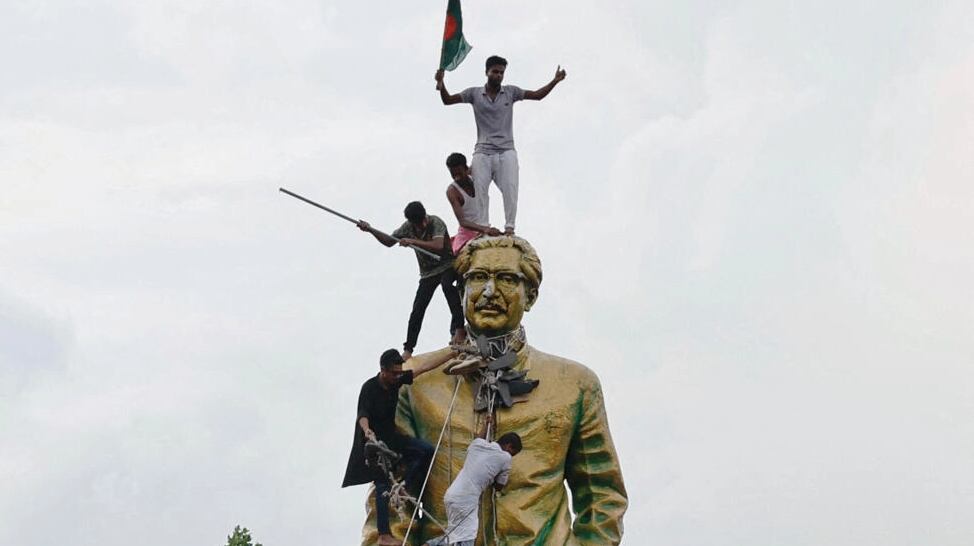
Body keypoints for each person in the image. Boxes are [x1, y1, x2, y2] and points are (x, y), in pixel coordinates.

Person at [358, 236, 628, 545]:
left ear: (531, 296)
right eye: (477, 278)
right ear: (461, 293)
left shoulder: (575, 385)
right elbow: (393, 494)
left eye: (507, 279)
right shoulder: (415, 383)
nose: (489, 291)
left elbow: (602, 495)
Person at [435, 56, 566, 235]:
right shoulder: (474, 93)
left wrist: (555, 81)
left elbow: (536, 95)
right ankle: (484, 228)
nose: (498, 75)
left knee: (510, 188)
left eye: (501, 73)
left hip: (506, 150)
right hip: (483, 150)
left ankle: (510, 227)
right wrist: (441, 84)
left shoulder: (510, 92)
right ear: (487, 72)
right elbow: (448, 100)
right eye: (495, 72)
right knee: (480, 189)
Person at [342, 348, 457, 546]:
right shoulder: (369, 387)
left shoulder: (396, 380)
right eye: (394, 373)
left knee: (425, 450)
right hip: (374, 444)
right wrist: (368, 432)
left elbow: (423, 368)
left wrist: (451, 354)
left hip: (392, 437)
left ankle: (403, 486)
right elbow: (363, 415)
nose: (397, 376)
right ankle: (383, 535)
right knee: (382, 485)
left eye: (399, 372)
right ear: (383, 370)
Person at [357, 201, 466, 359]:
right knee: (418, 307)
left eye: (422, 222)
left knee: (447, 286)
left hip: (447, 265)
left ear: (425, 217)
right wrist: (371, 230)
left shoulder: (436, 222)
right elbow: (389, 241)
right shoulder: (407, 227)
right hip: (428, 273)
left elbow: (438, 245)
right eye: (417, 224)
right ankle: (408, 349)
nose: (421, 226)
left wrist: (413, 241)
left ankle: (459, 328)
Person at [424, 414, 521, 546]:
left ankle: (430, 545)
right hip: (466, 499)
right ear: (509, 446)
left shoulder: (476, 445)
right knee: (467, 538)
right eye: (513, 453)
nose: (511, 456)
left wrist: (486, 425)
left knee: (455, 535)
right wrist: (492, 478)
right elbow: (499, 486)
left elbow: (478, 438)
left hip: (451, 495)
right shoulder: (505, 458)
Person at [445, 152, 501, 255]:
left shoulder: (475, 174)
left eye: (459, 174)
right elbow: (463, 222)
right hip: (467, 234)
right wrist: (485, 230)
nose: (457, 178)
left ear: (466, 169)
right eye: (453, 175)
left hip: (484, 229)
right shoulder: (452, 191)